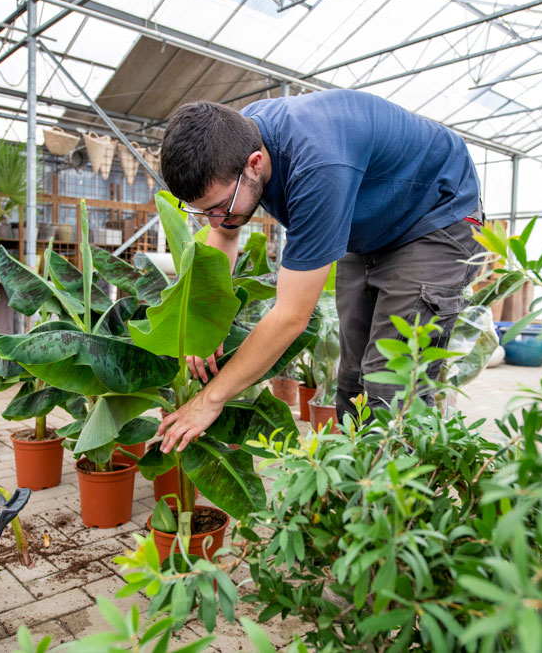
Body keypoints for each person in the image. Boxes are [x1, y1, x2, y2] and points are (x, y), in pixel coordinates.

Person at [156, 89, 484, 454]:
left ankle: (395, 504)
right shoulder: (233, 137)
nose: (216, 219)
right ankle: (353, 486)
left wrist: (209, 400)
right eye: (205, 211)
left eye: (221, 206)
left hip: (435, 215)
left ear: (254, 163)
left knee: (392, 386)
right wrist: (207, 323)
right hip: (370, 224)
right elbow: (222, 233)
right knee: (354, 381)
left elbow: (291, 317)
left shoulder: (316, 166)